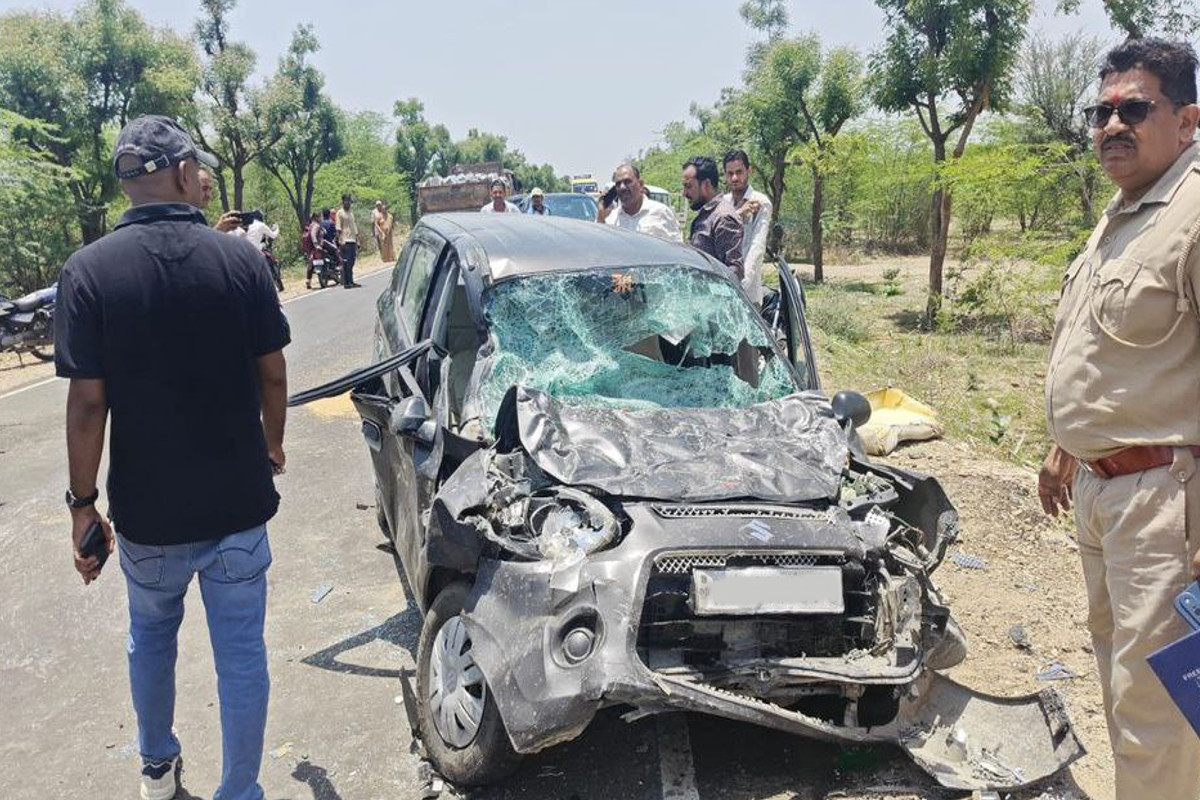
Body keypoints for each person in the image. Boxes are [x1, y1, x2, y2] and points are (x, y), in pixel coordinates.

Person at [55, 115, 289, 800]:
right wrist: (272, 443)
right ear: (184, 173)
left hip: (149, 516)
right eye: (200, 169)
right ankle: (239, 790)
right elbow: (273, 374)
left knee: (151, 639)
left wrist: (83, 507)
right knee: (241, 655)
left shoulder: (88, 272)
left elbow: (88, 405)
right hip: (237, 506)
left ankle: (157, 770)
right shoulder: (242, 261)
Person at [1038, 38, 1200, 800]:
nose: (1111, 126)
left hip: (1165, 502)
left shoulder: (1193, 214)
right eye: (1100, 113)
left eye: (1134, 109)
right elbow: (1106, 349)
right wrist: (1066, 445)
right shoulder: (1125, 213)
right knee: (1123, 684)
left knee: (1157, 710)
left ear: (1187, 120)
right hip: (1103, 494)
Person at [723, 149, 773, 304]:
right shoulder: (723, 203)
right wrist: (737, 215)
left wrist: (741, 285)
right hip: (722, 290)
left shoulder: (760, 202)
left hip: (748, 295)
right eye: (730, 173)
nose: (735, 178)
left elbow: (757, 248)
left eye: (739, 172)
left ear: (749, 171)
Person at [682, 155, 744, 278]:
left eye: (688, 186)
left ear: (706, 184)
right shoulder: (707, 214)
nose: (684, 193)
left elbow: (734, 271)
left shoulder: (723, 218)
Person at [596, 163, 681, 242]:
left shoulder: (660, 212)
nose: (622, 187)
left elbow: (677, 247)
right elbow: (600, 245)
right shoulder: (611, 219)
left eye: (627, 182)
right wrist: (601, 212)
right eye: (618, 184)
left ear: (640, 184)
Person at [335, 194, 361, 288]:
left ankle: (351, 281)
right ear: (343, 202)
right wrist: (340, 241)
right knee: (346, 262)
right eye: (346, 201)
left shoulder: (351, 213)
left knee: (352, 261)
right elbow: (338, 228)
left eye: (349, 201)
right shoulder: (340, 213)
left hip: (352, 239)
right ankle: (346, 282)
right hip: (345, 240)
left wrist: (357, 240)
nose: (348, 202)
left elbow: (354, 227)